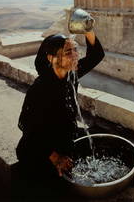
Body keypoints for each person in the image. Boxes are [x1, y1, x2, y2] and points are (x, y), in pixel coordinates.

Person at [13, 30, 104, 199]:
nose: (76, 55)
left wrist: (88, 29)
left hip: (63, 136)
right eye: (68, 52)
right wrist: (56, 158)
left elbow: (96, 55)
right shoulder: (40, 89)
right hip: (39, 149)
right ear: (51, 58)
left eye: (75, 49)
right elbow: (27, 127)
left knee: (99, 140)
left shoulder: (70, 74)